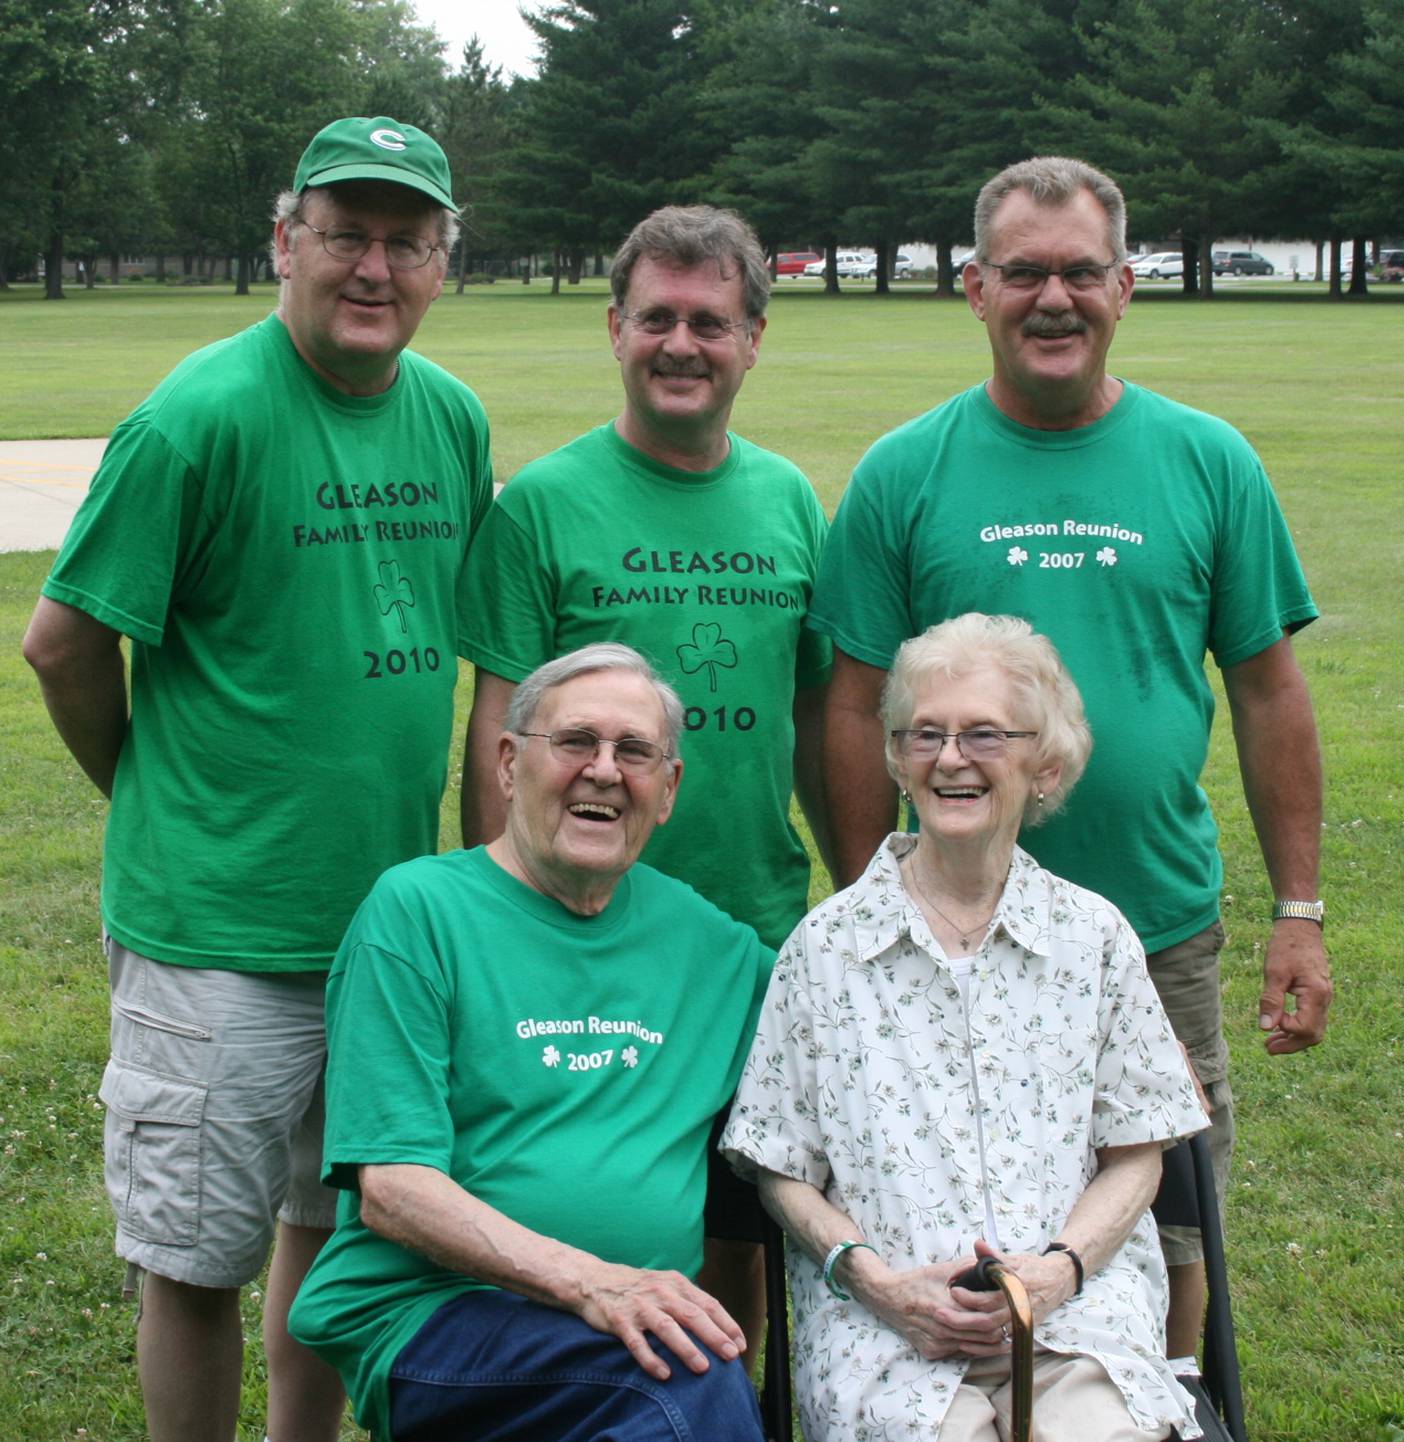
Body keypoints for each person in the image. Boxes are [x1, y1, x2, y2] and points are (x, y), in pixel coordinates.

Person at [810, 155, 1332, 1360]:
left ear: (1126, 285)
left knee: (1174, 1206)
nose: (1055, 297)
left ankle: (1169, 1389)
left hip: (1156, 925)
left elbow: (1268, 691)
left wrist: (1298, 907)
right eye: (1025, 272)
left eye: (1081, 271)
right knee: (948, 1198)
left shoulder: (1208, 460)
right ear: (973, 288)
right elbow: (848, 705)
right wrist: (860, 890)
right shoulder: (905, 471)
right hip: (945, 936)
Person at [22, 117, 492, 1442]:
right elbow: (63, 638)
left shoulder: (449, 416)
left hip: (385, 928)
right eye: (346, 234)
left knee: (328, 1226)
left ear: (442, 263)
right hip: (217, 935)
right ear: (288, 240)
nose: (374, 267)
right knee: (193, 1258)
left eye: (406, 241)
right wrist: (155, 789)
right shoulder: (197, 416)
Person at [463, 203, 832, 1348]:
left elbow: (817, 721)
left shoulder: (788, 502)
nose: (684, 344)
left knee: (744, 1212)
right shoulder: (543, 504)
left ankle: (720, 1395)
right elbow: (497, 740)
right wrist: (500, 922)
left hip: (752, 930)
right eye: (658, 317)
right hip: (580, 937)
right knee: (575, 1191)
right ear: (615, 327)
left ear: (755, 339)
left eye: (712, 322)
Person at [723, 613, 1211, 1441]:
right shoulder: (827, 949)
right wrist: (877, 1284)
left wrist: (1059, 1272)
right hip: (886, 1330)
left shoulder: (1092, 938)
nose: (950, 759)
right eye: (925, 735)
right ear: (897, 758)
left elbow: (1139, 1153)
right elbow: (781, 1168)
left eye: (984, 734)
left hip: (1077, 1316)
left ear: (1045, 764)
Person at [289, 643, 771, 1442]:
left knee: (677, 1385)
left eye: (636, 752)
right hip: (431, 1316)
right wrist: (593, 1284)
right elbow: (393, 1185)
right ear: (509, 764)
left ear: (669, 790)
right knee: (684, 1387)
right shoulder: (418, 914)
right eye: (577, 742)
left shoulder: (711, 947)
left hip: (629, 1336)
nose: (605, 771)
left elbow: (856, 1026)